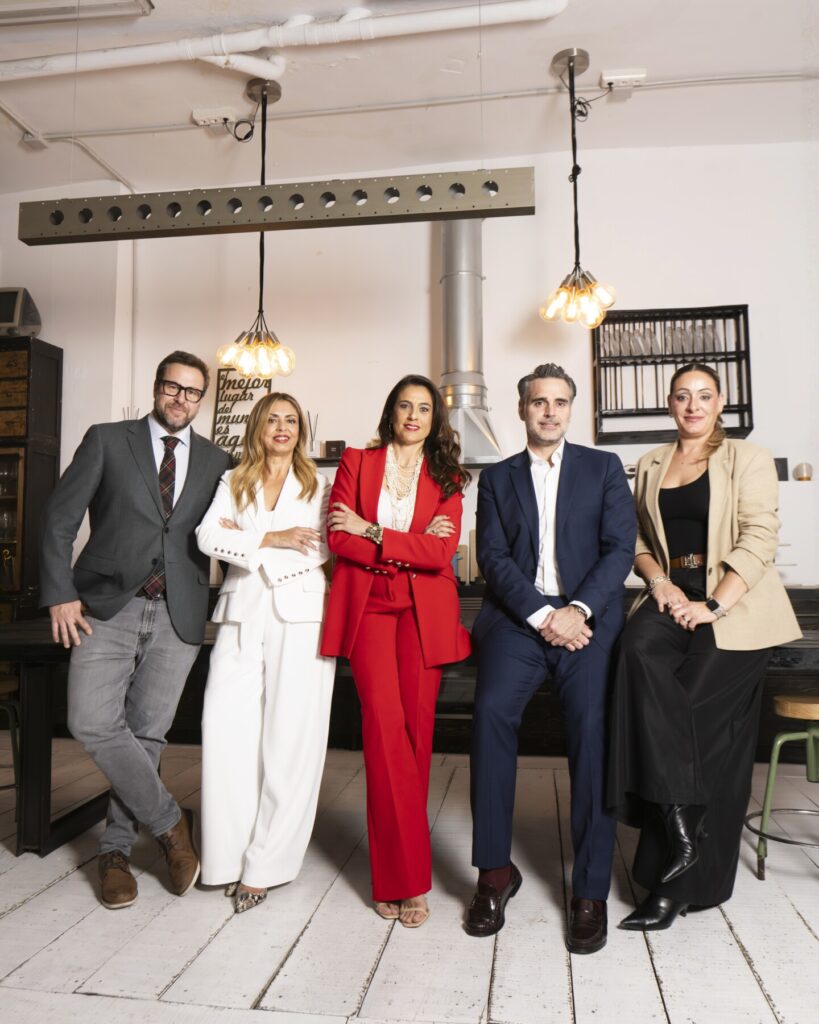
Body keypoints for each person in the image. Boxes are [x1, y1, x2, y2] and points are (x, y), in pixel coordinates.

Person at [608, 362, 801, 931]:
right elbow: (639, 542)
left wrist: (712, 605)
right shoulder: (648, 464)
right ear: (669, 404)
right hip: (671, 601)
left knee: (688, 715)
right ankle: (681, 826)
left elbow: (760, 538)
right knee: (634, 656)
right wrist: (661, 584)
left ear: (721, 403)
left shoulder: (749, 457)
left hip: (731, 608)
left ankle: (675, 884)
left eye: (704, 396)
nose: (693, 405)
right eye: (682, 396)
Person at [39, 351, 230, 909]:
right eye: (173, 387)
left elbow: (234, 528)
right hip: (107, 606)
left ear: (202, 400)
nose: (181, 399)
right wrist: (59, 594)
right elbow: (58, 519)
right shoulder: (107, 439)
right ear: (156, 387)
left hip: (179, 613)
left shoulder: (218, 460)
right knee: (91, 720)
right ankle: (171, 825)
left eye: (193, 392)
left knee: (148, 734)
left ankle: (115, 852)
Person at [466, 362, 636, 954]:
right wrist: (543, 616)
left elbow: (620, 551)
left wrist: (579, 611)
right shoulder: (496, 478)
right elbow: (492, 555)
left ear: (571, 408)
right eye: (540, 402)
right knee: (489, 715)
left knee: (592, 729)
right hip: (519, 620)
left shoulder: (604, 468)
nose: (550, 412)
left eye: (560, 402)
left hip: (586, 619)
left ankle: (589, 889)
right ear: (522, 409)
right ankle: (493, 872)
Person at [320, 374, 471, 927]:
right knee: (384, 733)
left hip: (423, 614)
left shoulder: (449, 477)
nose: (413, 415)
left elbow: (441, 553)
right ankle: (403, 881)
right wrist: (404, 543)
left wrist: (376, 533)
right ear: (391, 412)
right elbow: (339, 538)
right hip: (370, 610)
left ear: (435, 419)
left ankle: (401, 870)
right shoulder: (357, 462)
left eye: (424, 408)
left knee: (416, 737)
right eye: (404, 406)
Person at [196, 392, 335, 913]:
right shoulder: (233, 481)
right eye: (272, 419)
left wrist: (250, 544)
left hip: (301, 616)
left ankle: (268, 863)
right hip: (239, 614)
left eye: (291, 419)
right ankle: (226, 857)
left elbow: (323, 545)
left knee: (290, 739)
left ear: (302, 429)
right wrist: (274, 537)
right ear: (257, 426)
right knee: (224, 729)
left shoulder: (321, 483)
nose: (282, 427)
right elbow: (207, 535)